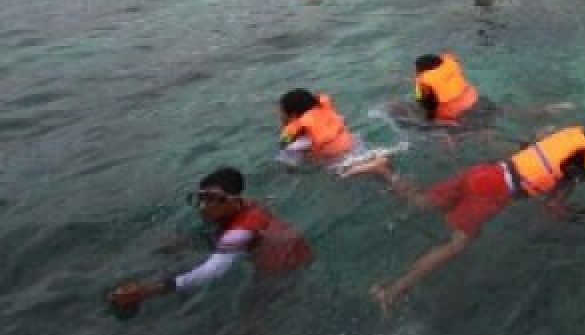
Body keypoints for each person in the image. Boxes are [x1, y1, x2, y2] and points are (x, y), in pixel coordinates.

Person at [370, 124, 585, 308]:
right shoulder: (570, 177)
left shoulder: (553, 139)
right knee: (456, 245)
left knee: (421, 201)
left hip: (484, 171)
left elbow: (532, 143)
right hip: (491, 193)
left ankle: (383, 169)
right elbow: (552, 209)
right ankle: (390, 293)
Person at [107, 167, 313, 317]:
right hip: (286, 251)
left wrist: (146, 291)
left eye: (212, 199)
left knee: (249, 318)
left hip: (282, 270)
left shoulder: (238, 232)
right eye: (202, 198)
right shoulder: (242, 207)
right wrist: (187, 243)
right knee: (172, 246)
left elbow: (210, 272)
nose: (204, 206)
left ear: (233, 201)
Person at [278, 89, 396, 178]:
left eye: (282, 112)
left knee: (337, 173)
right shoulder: (326, 113)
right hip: (355, 145)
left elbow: (290, 162)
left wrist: (289, 171)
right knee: (390, 178)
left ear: (292, 114)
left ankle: (372, 166)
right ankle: (376, 161)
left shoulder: (301, 138)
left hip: (341, 159)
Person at [412, 52, 480, 123]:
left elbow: (428, 104)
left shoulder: (425, 82)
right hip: (472, 96)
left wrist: (429, 119)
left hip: (454, 109)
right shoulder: (450, 64)